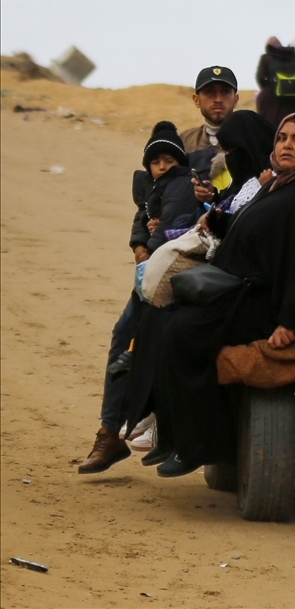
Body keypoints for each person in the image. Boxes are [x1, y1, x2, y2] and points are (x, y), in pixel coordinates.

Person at [134, 113, 295, 477]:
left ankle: (200, 446)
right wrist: (222, 223)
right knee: (162, 321)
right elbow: (258, 227)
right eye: (282, 138)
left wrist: (290, 323)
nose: (286, 145)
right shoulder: (282, 184)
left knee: (183, 335)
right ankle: (171, 435)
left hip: (267, 304)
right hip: (239, 291)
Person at [78, 122, 200, 473]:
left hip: (177, 272)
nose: (162, 165)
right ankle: (111, 430)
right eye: (156, 160)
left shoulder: (180, 182)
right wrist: (139, 246)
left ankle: (131, 428)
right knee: (127, 338)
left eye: (167, 159)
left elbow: (171, 222)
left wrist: (151, 246)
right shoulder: (153, 185)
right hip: (155, 272)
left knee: (143, 343)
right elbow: (142, 220)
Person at [180, 66, 239, 153]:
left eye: (225, 91)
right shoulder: (184, 142)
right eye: (209, 92)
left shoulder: (252, 140)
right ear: (196, 100)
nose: (218, 99)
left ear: (235, 100)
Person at [255, 37, 295, 128]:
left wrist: (271, 87)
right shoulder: (294, 56)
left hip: (272, 103)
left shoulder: (266, 58)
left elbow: (260, 78)